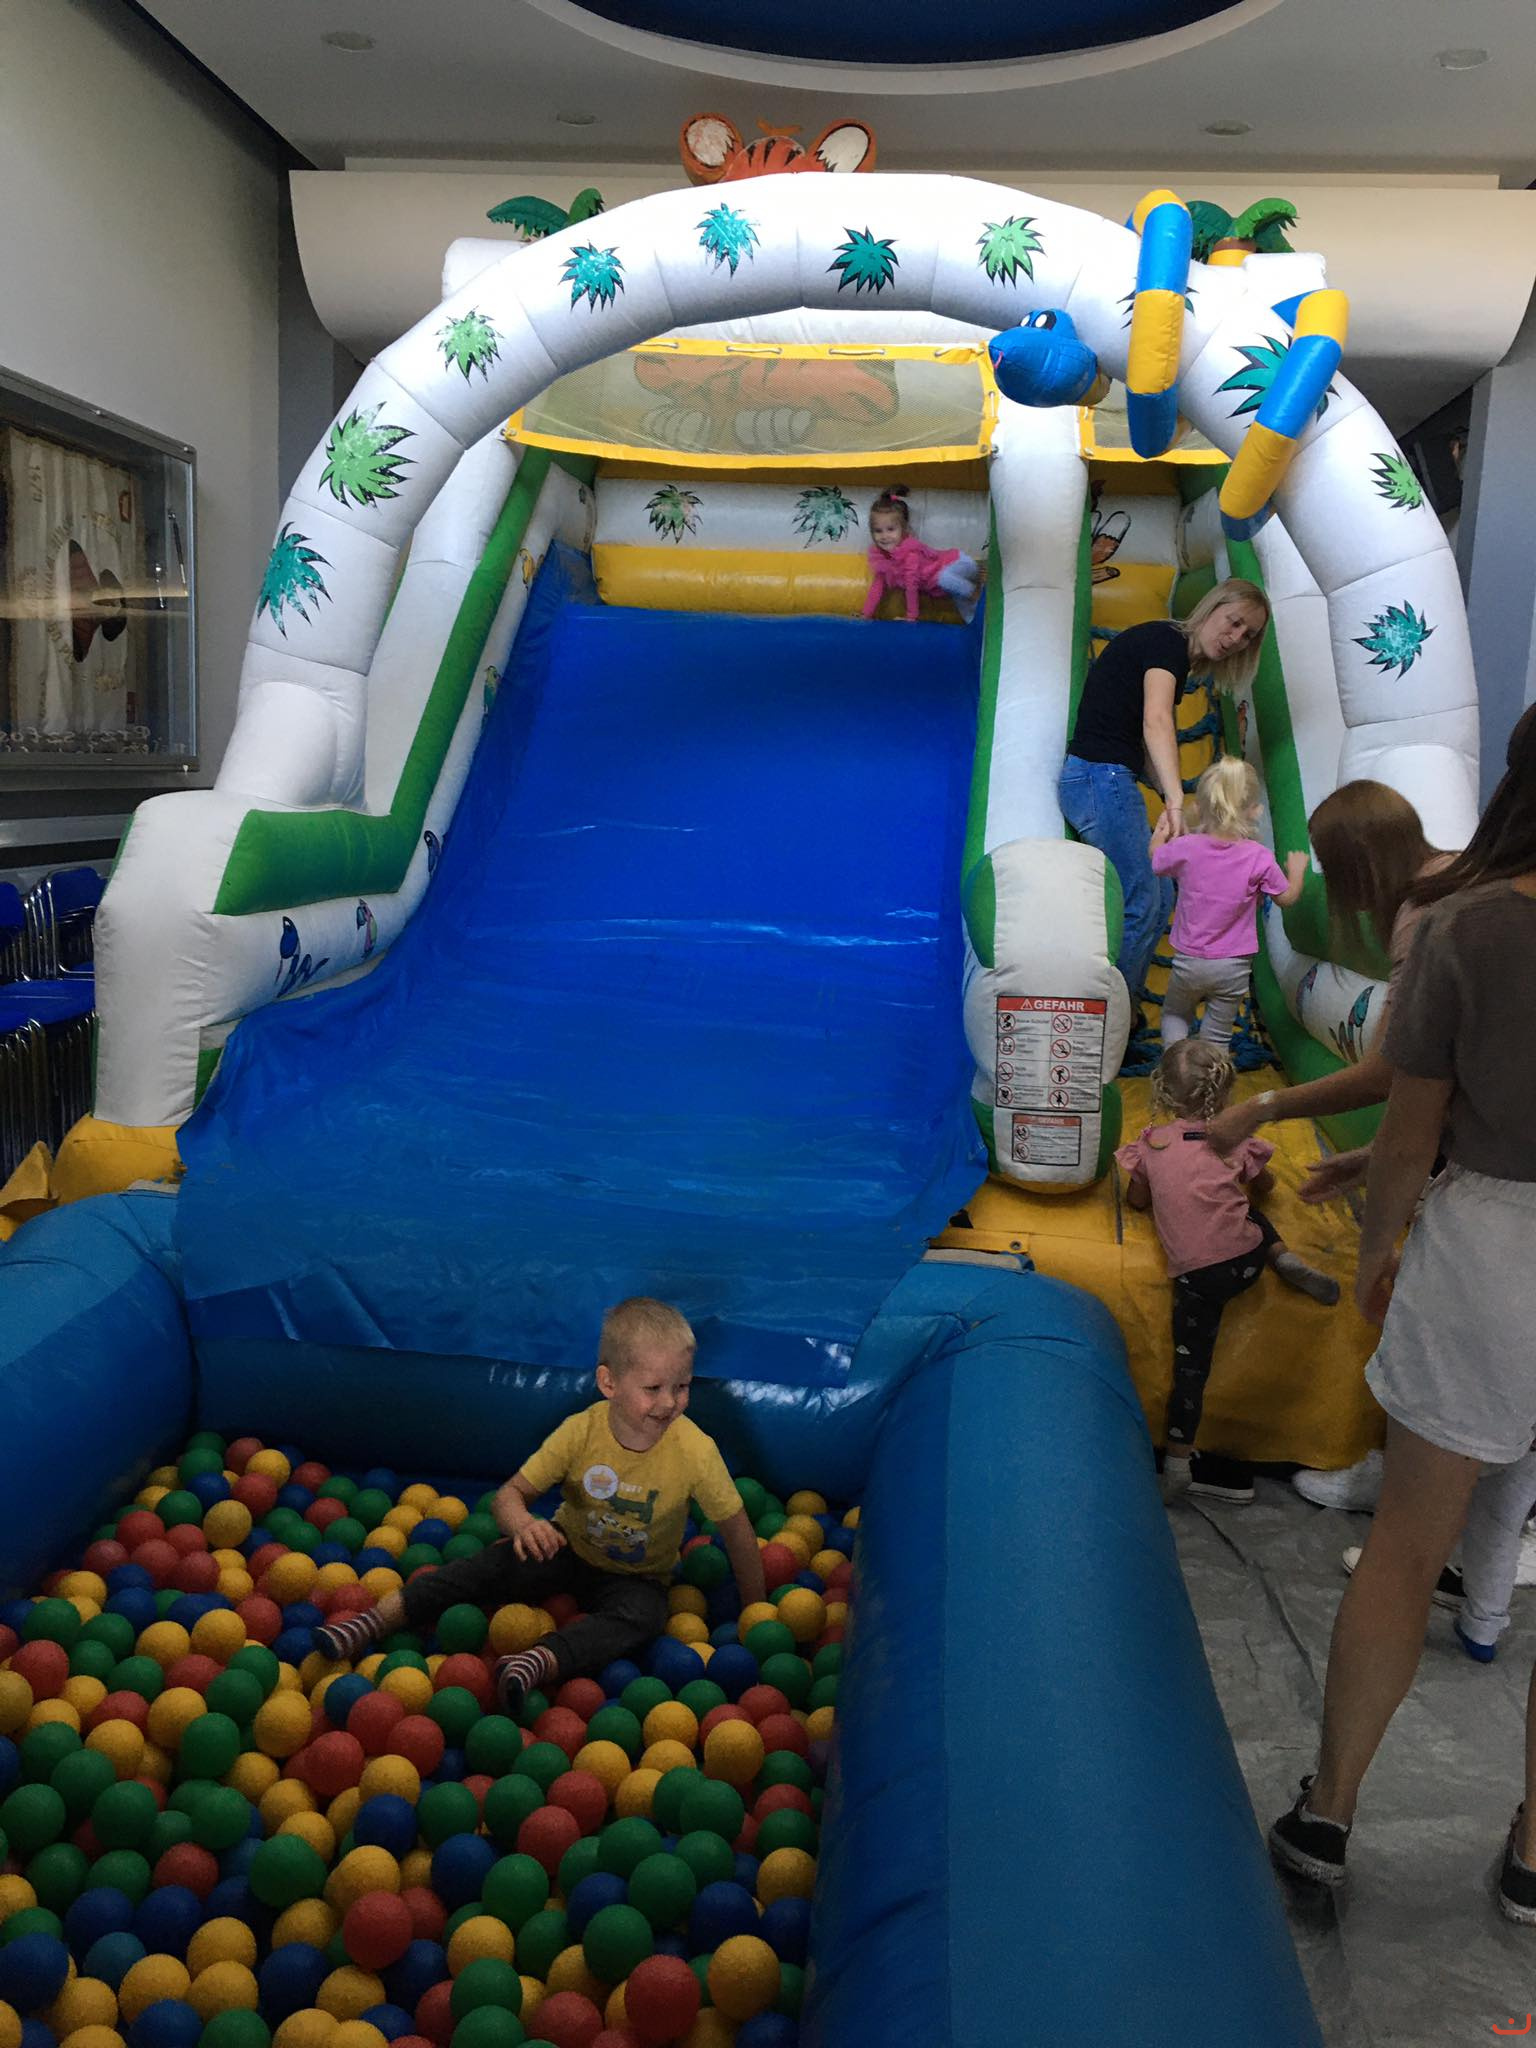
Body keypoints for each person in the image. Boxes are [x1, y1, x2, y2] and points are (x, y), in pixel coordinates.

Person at [1266, 705, 1536, 1918]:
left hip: (1494, 1246)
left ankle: (1328, 1810)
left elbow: (1410, 1124)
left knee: (1407, 1546)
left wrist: (1378, 1249)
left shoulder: (1472, 925)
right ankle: (1534, 1854)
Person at [312, 1298, 767, 1713]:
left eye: (682, 1386)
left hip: (638, 1577)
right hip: (566, 1548)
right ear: (608, 1382)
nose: (669, 1403)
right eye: (653, 1388)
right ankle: (375, 1620)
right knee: (489, 1564)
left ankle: (538, 1661)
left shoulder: (695, 1451)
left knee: (645, 1617)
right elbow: (509, 1497)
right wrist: (524, 1526)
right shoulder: (580, 1433)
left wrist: (757, 1616)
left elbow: (738, 1531)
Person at [1205, 779, 1453, 1509]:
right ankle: (1414, 1472)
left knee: (1424, 1308)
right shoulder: (1451, 876)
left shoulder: (1425, 917)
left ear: (1355, 870)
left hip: (1506, 1172)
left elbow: (1388, 1069)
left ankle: (1416, 1485)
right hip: (1492, 1143)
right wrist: (1373, 1158)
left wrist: (1262, 1110)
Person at [1117, 1039, 1339, 1505]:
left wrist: (1160, 1188)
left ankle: (1177, 1463)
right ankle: (1282, 1257)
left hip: (1198, 1278)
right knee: (1247, 1214)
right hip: (1246, 1261)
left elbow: (1136, 1201)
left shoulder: (1152, 1143)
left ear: (1162, 1091)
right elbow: (1267, 1186)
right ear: (1225, 1094)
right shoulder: (1237, 1140)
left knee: (1191, 1371)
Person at [1058, 580, 1270, 1021]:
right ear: (1212, 607)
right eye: (1233, 622)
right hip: (1098, 777)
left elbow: (1137, 740)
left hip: (1106, 775)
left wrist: (1174, 801)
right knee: (1143, 902)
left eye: (1247, 635)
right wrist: (1174, 799)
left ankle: (1123, 1008)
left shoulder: (1174, 655)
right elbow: (1155, 722)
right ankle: (1108, 1019)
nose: (1235, 638)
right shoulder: (1166, 642)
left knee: (1161, 896)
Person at [1153, 757, 1308, 1051]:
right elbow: (1286, 898)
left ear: (1199, 808)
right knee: (1218, 1035)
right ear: (1255, 810)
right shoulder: (1259, 857)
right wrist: (1297, 872)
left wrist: (1159, 836)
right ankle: (1212, 1076)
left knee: (1175, 1014)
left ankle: (1176, 1062)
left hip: (1189, 960)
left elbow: (1156, 861)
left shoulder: (1186, 848)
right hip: (1233, 967)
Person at [861, 485, 980, 623]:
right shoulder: (881, 559)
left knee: (944, 578)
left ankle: (977, 593)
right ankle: (979, 614)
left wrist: (911, 617)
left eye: (890, 529)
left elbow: (911, 587)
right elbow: (877, 586)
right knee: (968, 614)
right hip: (952, 582)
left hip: (958, 563)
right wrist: (866, 615)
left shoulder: (910, 555)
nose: (884, 536)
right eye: (878, 531)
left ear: (903, 529)